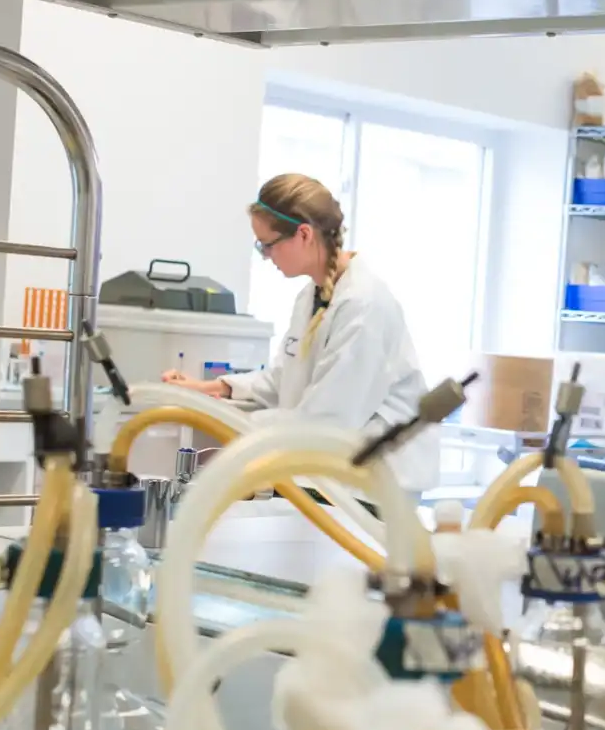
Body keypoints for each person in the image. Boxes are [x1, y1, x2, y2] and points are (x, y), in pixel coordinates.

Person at [162, 173, 437, 495]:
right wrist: (209, 388)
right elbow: (284, 380)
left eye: (268, 245)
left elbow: (327, 421)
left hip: (369, 488)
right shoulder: (312, 296)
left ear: (304, 234)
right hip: (323, 475)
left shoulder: (364, 305)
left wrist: (225, 421)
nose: (265, 256)